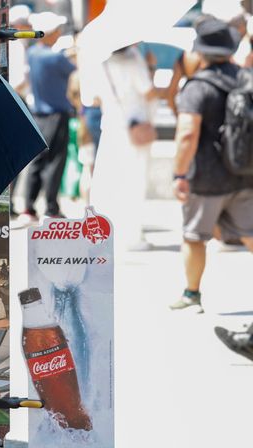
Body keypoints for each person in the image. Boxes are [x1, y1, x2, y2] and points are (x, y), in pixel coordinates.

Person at [170, 17, 253, 313]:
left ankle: (192, 295)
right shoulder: (247, 77)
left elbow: (187, 134)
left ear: (200, 52)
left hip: (206, 178)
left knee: (194, 237)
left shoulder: (197, 87)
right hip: (246, 173)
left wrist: (180, 173)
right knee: (251, 234)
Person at [89, 44, 158, 251]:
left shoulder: (101, 63)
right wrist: (151, 68)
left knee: (109, 180)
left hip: (111, 126)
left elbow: (92, 98)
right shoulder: (134, 60)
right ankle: (132, 236)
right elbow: (149, 93)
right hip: (134, 127)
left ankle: (102, 232)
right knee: (134, 181)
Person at [17, 12, 76, 225]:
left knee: (37, 162)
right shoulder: (56, 58)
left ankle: (28, 207)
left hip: (38, 115)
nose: (59, 33)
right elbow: (74, 70)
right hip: (56, 115)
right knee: (55, 163)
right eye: (56, 30)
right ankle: (51, 208)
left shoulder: (33, 54)